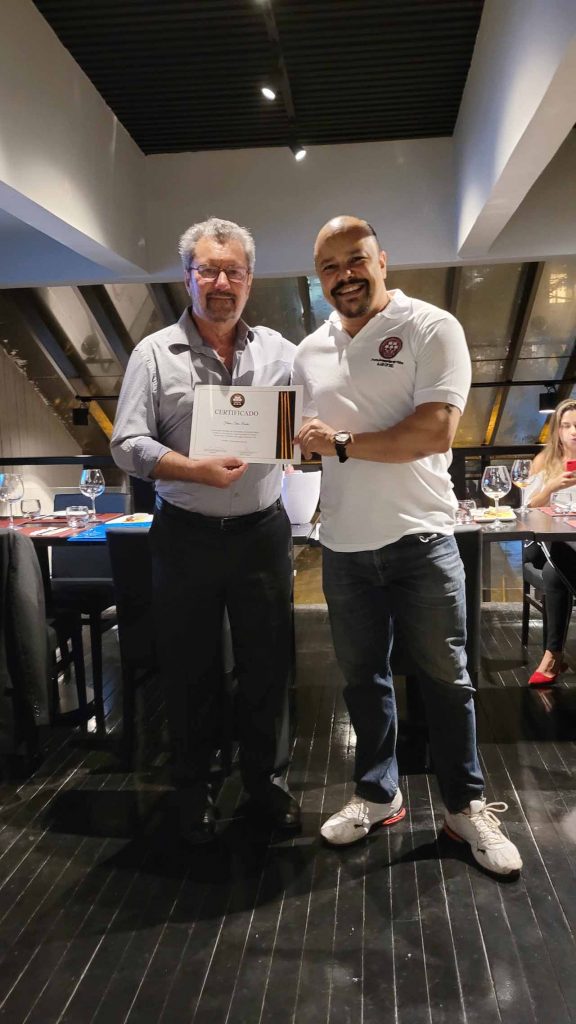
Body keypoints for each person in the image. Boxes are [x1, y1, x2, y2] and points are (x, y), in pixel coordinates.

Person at [292, 215, 522, 876]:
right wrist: (282, 451)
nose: (345, 276)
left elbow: (433, 433)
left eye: (355, 259)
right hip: (342, 545)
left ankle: (464, 807)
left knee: (446, 680)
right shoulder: (310, 352)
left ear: (382, 260)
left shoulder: (431, 327)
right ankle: (377, 792)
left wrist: (337, 443)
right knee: (363, 682)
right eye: (330, 267)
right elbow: (307, 450)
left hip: (423, 539)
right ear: (321, 279)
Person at [111, 216, 300, 843]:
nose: (222, 282)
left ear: (250, 280)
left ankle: (265, 784)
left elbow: (307, 423)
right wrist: (189, 467)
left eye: (234, 272)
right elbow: (126, 443)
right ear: (187, 276)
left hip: (262, 532)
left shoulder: (280, 351)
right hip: (185, 533)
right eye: (209, 269)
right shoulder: (153, 353)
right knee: (189, 664)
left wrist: (308, 441)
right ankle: (192, 787)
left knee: (267, 663)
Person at [523, 398, 576, 685]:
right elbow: (527, 507)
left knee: (555, 574)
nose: (573, 432)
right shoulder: (545, 461)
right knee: (554, 558)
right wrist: (552, 486)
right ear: (557, 430)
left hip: (572, 544)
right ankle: (553, 657)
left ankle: (553, 656)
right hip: (541, 543)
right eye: (566, 426)